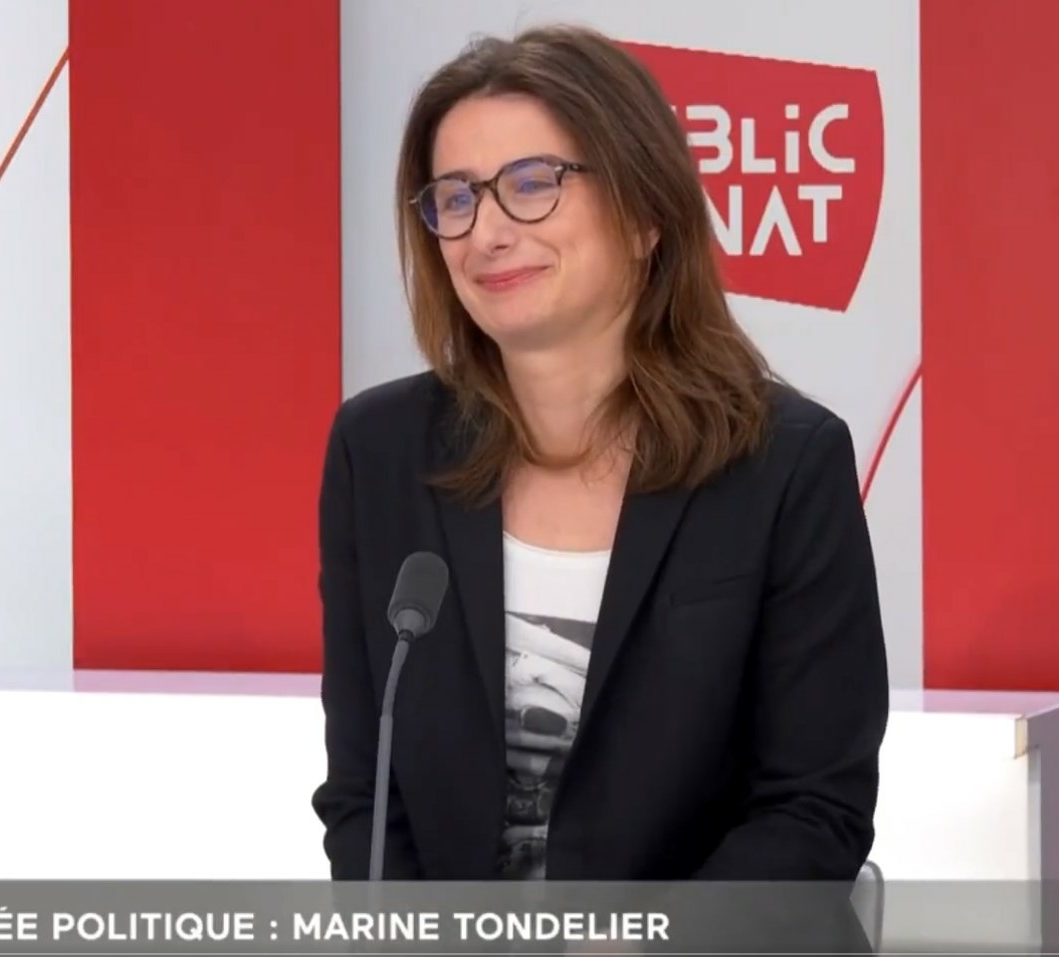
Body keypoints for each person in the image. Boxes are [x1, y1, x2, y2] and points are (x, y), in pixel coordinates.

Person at [311, 23, 889, 893]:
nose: (485, 232)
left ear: (645, 213)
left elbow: (813, 809)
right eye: (455, 198)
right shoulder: (380, 450)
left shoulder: (783, 464)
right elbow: (365, 790)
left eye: (531, 184)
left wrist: (643, 944)